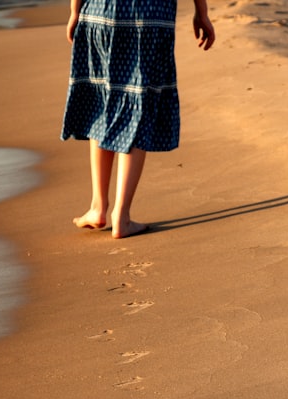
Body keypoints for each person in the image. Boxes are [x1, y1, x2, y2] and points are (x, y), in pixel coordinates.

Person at [62, 0, 215, 239]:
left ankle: (98, 207)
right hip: (151, 16)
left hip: (101, 11)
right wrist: (201, 12)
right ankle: (121, 216)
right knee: (138, 104)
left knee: (101, 102)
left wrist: (74, 11)